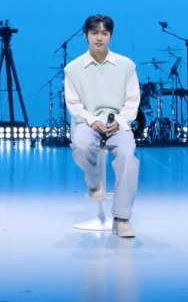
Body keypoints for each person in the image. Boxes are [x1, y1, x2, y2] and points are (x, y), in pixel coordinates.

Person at [64, 14, 140, 238]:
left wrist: (120, 121)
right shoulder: (73, 69)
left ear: (111, 36)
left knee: (127, 156)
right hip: (87, 122)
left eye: (104, 33)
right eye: (94, 33)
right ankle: (93, 182)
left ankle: (122, 218)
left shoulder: (126, 66)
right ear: (85, 35)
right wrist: (91, 120)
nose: (99, 38)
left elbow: (132, 100)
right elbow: (74, 104)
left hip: (118, 123)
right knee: (81, 145)